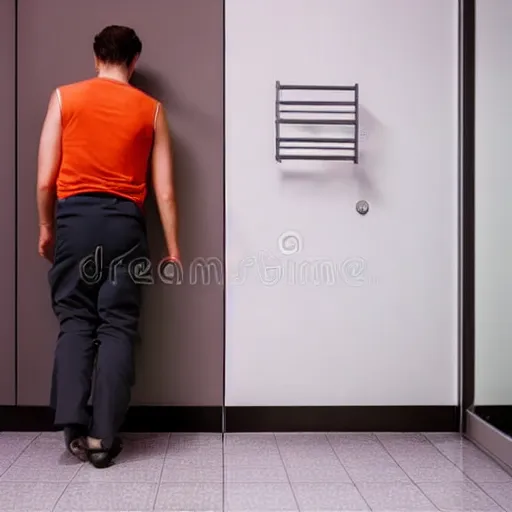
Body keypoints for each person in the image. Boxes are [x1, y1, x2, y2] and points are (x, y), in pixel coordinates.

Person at [36, 25, 180, 468]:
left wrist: (47, 229)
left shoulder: (65, 98)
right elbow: (165, 193)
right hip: (125, 227)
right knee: (118, 325)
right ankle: (103, 438)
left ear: (96, 56)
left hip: (75, 222)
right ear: (134, 61)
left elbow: (45, 178)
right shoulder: (151, 109)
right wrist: (173, 249)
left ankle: (72, 428)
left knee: (76, 320)